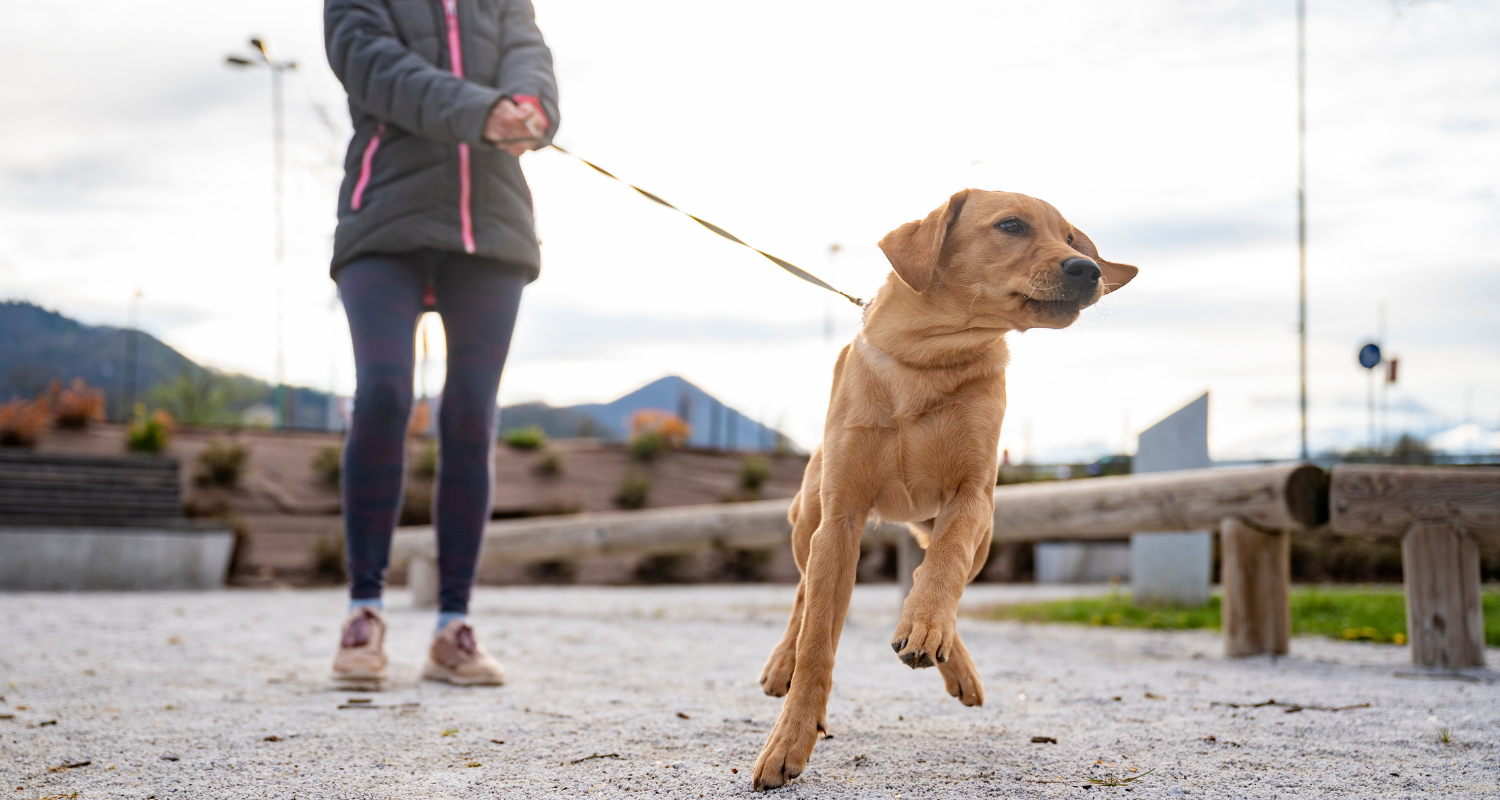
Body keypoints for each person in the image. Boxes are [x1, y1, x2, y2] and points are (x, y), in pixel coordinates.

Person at [322, 0, 559, 685]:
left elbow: (529, 55)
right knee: (386, 393)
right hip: (384, 219)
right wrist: (480, 112)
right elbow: (372, 68)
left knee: (471, 414)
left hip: (492, 227)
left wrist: (529, 106)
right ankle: (363, 609)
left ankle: (453, 625)